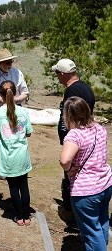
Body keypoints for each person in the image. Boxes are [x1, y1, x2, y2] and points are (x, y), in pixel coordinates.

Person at [60, 96, 112, 251]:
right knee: (102, 221)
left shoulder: (75, 134)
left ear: (69, 115)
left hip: (86, 191)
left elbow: (64, 160)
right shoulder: (100, 128)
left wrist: (69, 169)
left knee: (91, 233)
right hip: (105, 183)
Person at [52, 58, 95, 226]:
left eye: (57, 73)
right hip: (86, 139)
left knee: (71, 173)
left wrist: (68, 138)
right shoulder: (85, 87)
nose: (56, 77)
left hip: (75, 141)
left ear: (62, 74)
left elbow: (68, 120)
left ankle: (70, 212)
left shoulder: (71, 92)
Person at [0, 80, 33, 226]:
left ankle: (19, 216)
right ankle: (27, 216)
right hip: (22, 155)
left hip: (8, 156)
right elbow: (28, 133)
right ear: (15, 94)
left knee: (13, 187)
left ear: (0, 96)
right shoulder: (23, 112)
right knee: (24, 186)